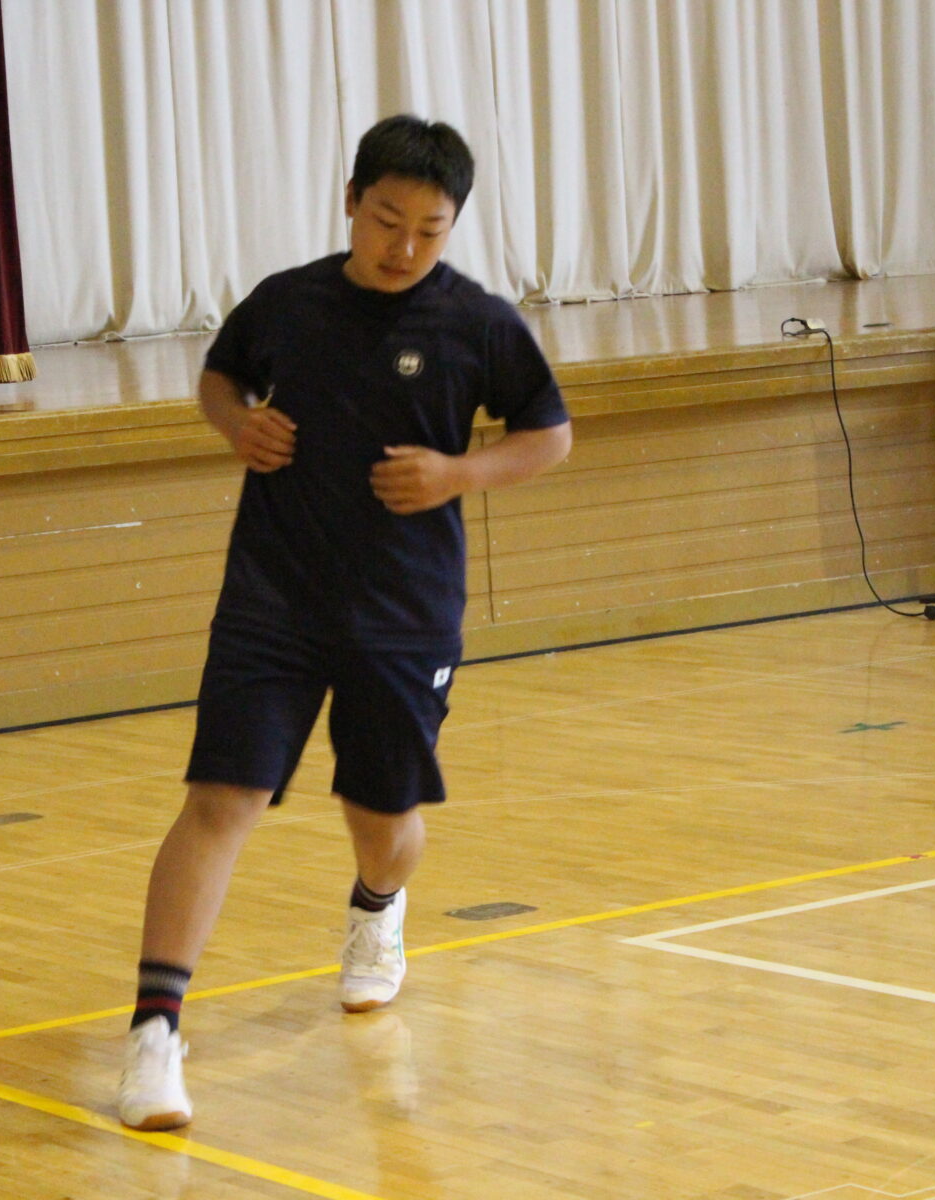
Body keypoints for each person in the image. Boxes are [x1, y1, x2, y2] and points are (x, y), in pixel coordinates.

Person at [114, 114, 573, 1132]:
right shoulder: (289, 302)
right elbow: (218, 380)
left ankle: (377, 909)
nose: (403, 246)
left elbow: (549, 436)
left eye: (429, 229)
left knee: (385, 825)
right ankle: (154, 1032)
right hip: (272, 598)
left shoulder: (478, 324)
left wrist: (459, 472)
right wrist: (238, 423)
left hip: (404, 614)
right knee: (219, 801)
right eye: (386, 219)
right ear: (352, 203)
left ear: (453, 229)